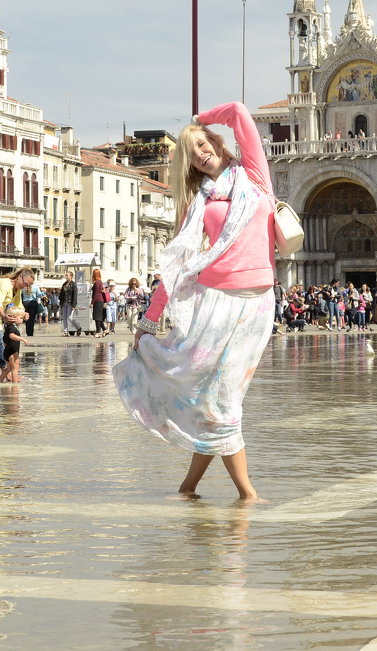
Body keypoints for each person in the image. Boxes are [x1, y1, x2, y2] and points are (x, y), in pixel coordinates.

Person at [114, 101, 275, 502]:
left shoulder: (254, 177)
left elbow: (239, 112)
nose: (201, 155)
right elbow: (178, 263)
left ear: (217, 142)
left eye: (204, 145)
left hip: (257, 304)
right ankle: (240, 496)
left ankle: (202, 490)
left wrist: (198, 121)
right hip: (216, 300)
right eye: (192, 154)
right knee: (212, 399)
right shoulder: (200, 202)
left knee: (220, 398)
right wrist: (148, 322)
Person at [0, 307, 26, 384]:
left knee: (9, 368)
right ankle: (15, 383)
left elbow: (4, 340)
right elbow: (11, 336)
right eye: (20, 318)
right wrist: (22, 339)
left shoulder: (8, 327)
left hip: (7, 351)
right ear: (13, 318)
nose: (22, 320)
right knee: (15, 368)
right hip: (13, 351)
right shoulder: (12, 328)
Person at [90, 268, 107, 337]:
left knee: (97, 316)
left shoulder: (96, 282)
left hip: (97, 300)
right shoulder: (100, 282)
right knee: (99, 316)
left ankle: (98, 332)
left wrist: (92, 303)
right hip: (100, 300)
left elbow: (96, 293)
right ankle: (105, 329)